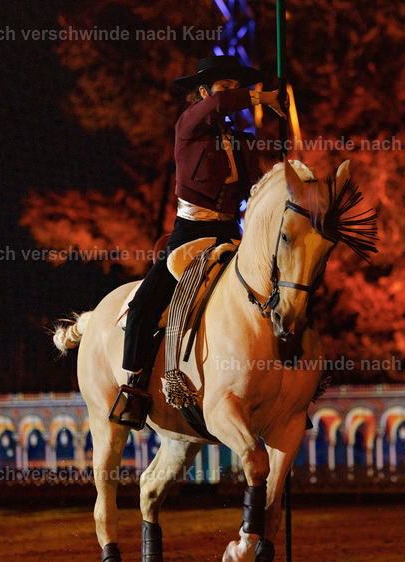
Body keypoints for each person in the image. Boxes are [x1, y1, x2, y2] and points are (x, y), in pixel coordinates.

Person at [111, 55, 286, 427]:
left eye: (236, 88)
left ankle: (287, 386)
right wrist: (261, 98)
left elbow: (253, 190)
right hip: (190, 232)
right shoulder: (188, 125)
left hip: (231, 232)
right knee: (144, 305)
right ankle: (135, 387)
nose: (232, 94)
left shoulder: (242, 141)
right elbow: (220, 105)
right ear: (203, 92)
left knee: (281, 288)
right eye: (225, 88)